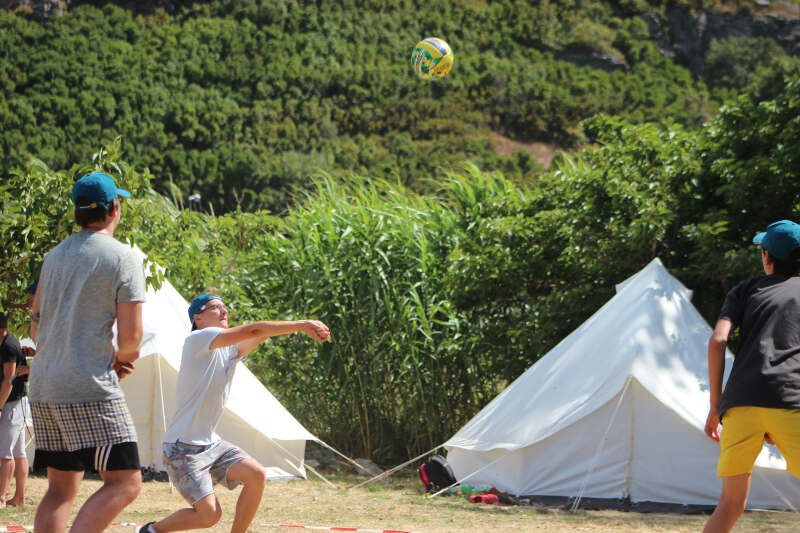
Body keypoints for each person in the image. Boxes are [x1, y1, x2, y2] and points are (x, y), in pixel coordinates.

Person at [137, 294, 330, 533]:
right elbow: (254, 329)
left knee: (257, 474)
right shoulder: (197, 339)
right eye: (216, 308)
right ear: (198, 318)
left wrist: (296, 329)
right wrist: (301, 325)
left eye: (225, 307)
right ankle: (149, 531)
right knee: (209, 516)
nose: (224, 311)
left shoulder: (228, 350)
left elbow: (258, 333)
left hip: (210, 444)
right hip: (181, 449)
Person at [30, 172, 146, 533]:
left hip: (44, 384)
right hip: (88, 385)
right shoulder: (123, 257)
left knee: (61, 488)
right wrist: (120, 357)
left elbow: (36, 326)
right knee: (126, 481)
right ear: (115, 207)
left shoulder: (53, 257)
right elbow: (131, 337)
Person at [703, 219, 800, 533]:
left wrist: (715, 407)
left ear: (767, 258)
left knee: (729, 505)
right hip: (791, 399)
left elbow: (718, 341)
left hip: (740, 404)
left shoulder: (745, 290)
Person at [0, 311, 28, 508]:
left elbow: (9, 381)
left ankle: (1, 498)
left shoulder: (9, 346)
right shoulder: (7, 343)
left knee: (5, 453)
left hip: (13, 403)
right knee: (19, 452)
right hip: (14, 402)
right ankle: (19, 498)